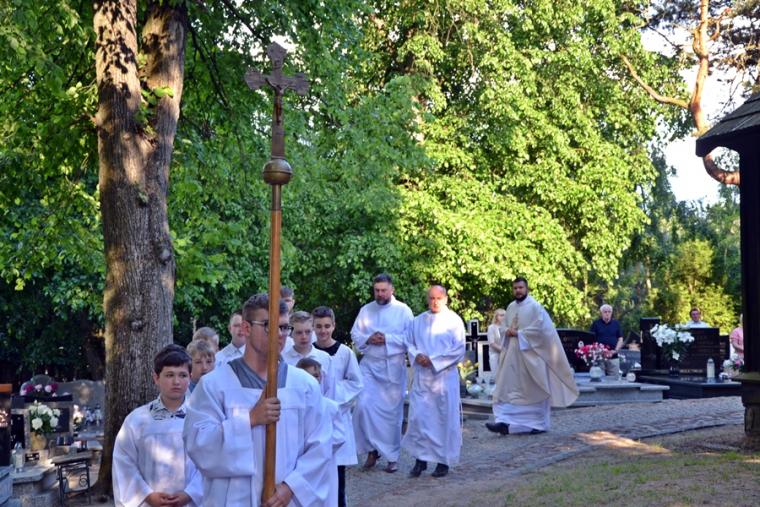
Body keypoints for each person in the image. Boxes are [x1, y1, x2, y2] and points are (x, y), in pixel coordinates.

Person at [184, 294, 333, 506]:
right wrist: (250, 420)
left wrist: (291, 487)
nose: (279, 334)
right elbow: (199, 445)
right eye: (268, 326)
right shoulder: (214, 386)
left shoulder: (304, 386)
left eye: (283, 327)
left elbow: (321, 445)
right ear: (246, 328)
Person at [113, 344, 203, 507]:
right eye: (169, 375)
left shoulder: (202, 418)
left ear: (190, 377)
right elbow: (124, 463)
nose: (176, 382)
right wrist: (146, 495)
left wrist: (191, 493)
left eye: (182, 375)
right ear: (156, 378)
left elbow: (212, 461)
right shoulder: (137, 420)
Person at [486, 277, 578, 435]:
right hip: (512, 356)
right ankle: (504, 422)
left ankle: (538, 424)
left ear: (526, 289)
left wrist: (520, 334)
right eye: (515, 288)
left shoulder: (536, 307)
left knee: (534, 389)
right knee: (506, 388)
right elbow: (502, 327)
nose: (518, 291)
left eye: (520, 288)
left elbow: (542, 331)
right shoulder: (510, 307)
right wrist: (506, 331)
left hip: (531, 356)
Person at [351, 273, 414, 473]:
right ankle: (371, 450)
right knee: (362, 406)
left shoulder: (403, 311)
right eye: (377, 290)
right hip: (370, 365)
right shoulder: (366, 310)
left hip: (392, 368)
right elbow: (355, 334)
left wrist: (387, 339)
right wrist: (369, 339)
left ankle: (392, 456)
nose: (380, 294)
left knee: (391, 416)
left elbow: (411, 338)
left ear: (392, 289)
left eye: (383, 290)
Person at [403, 285, 465, 479]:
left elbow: (458, 349)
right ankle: (420, 459)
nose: (435, 302)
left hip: (443, 379)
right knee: (419, 419)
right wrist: (417, 355)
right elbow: (408, 342)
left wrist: (434, 360)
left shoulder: (453, 321)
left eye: (438, 298)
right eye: (431, 298)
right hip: (423, 378)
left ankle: (442, 461)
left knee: (442, 420)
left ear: (445, 299)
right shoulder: (418, 321)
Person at [312, 305, 363, 507]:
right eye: (318, 326)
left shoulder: (344, 353)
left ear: (333, 326)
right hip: (313, 419)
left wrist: (332, 395)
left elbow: (356, 383)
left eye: (326, 326)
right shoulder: (310, 352)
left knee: (337, 474)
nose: (323, 331)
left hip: (336, 416)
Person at [294, 357, 344, 507]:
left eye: (315, 376)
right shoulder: (294, 406)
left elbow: (339, 436)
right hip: (299, 463)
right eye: (307, 376)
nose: (312, 380)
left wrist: (319, 448)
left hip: (324, 464)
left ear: (320, 377)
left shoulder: (331, 406)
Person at [282, 311, 334, 396]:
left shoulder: (325, 358)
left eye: (307, 332)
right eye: (299, 332)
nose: (304, 337)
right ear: (291, 333)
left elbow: (330, 391)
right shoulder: (283, 361)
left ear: (313, 331)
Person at [589, 304, 623, 376]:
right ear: (601, 313)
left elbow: (620, 339)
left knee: (614, 380)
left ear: (611, 313)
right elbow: (591, 340)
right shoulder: (596, 324)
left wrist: (615, 351)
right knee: (599, 379)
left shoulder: (616, 324)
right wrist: (599, 351)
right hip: (600, 357)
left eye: (609, 312)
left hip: (613, 357)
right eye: (605, 312)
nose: (607, 313)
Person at [487, 309, 506, 378]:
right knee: (496, 376)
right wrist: (503, 350)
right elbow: (492, 343)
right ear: (496, 317)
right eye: (501, 315)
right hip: (495, 354)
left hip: (506, 354)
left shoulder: (507, 327)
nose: (503, 317)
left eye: (504, 315)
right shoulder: (491, 328)